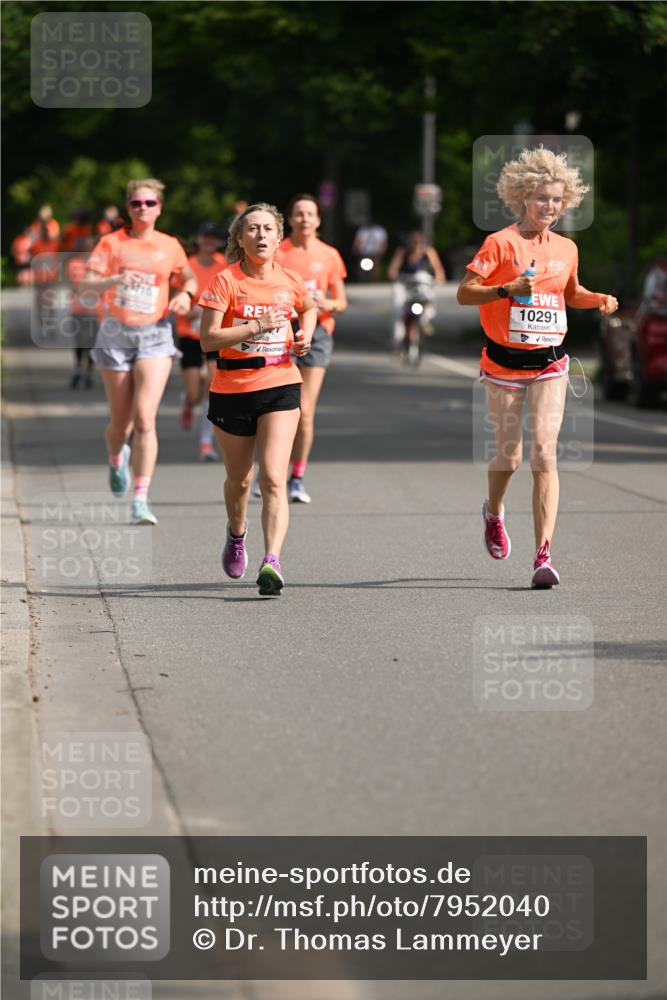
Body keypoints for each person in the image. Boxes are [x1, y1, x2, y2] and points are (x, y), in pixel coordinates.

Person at [457, 146, 618, 588]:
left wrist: (598, 299)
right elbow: (465, 293)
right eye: (542, 198)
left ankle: (543, 555)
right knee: (509, 455)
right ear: (523, 197)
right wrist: (505, 289)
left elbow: (571, 292)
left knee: (544, 453)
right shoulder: (500, 243)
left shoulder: (567, 247)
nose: (549, 206)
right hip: (503, 363)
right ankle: (493, 511)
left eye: (557, 200)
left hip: (550, 363)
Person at [199, 203, 317, 596]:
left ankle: (272, 561)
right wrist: (255, 326)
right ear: (240, 239)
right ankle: (237, 532)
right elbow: (207, 339)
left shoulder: (290, 280)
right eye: (252, 229)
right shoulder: (225, 281)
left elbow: (310, 307)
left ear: (279, 237)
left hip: (281, 382)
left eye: (268, 228)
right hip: (232, 387)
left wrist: (305, 335)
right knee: (240, 479)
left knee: (272, 477)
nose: (261, 235)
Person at [83, 178, 196, 525]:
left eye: (149, 203)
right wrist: (114, 280)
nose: (143, 208)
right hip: (116, 335)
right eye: (136, 203)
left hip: (156, 335)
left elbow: (189, 278)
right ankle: (117, 456)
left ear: (159, 208)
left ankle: (141, 499)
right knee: (122, 423)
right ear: (128, 208)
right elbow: (86, 284)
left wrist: (185, 296)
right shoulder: (111, 243)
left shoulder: (170, 245)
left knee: (145, 418)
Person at [263, 193, 348, 503]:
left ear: (318, 220)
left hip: (318, 333)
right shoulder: (279, 252)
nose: (304, 219)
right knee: (273, 407)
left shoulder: (329, 255)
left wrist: (325, 303)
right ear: (290, 219)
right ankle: (271, 471)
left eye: (310, 214)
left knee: (305, 411)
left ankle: (296, 477)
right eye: (299, 214)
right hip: (279, 330)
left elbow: (341, 301)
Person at [175, 221, 227, 460]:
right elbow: (174, 302)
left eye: (213, 238)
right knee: (195, 392)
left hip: (215, 335)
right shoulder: (187, 267)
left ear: (218, 241)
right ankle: (187, 403)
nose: (209, 242)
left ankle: (206, 443)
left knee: (212, 389)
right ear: (197, 240)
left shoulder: (224, 267)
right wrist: (191, 310)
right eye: (205, 237)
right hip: (190, 336)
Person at [388, 230, 446, 349]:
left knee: (430, 297)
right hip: (405, 283)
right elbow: (393, 271)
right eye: (414, 242)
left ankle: (425, 321)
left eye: (419, 242)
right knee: (398, 308)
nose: (416, 245)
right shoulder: (403, 252)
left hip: (422, 284)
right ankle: (397, 342)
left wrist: (438, 280)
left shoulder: (428, 252)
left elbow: (438, 269)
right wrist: (395, 276)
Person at [66, 234, 100, 389]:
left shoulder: (100, 263)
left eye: (91, 246)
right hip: (78, 307)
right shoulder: (74, 263)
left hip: (95, 309)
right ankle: (78, 367)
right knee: (80, 340)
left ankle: (89, 370)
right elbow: (73, 283)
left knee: (93, 341)